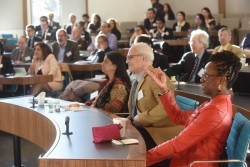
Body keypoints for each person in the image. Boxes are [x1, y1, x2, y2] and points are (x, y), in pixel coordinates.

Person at [145, 50, 241, 167]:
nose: (201, 79)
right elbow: (178, 117)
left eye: (206, 76)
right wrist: (164, 89)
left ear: (222, 80)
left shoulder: (216, 111)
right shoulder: (214, 104)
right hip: (184, 160)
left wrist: (141, 160)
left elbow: (178, 144)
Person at [126, 43, 178, 151]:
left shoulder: (155, 77)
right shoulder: (139, 78)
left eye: (130, 57)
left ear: (143, 58)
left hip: (157, 132)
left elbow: (167, 108)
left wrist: (142, 118)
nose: (127, 61)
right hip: (142, 128)